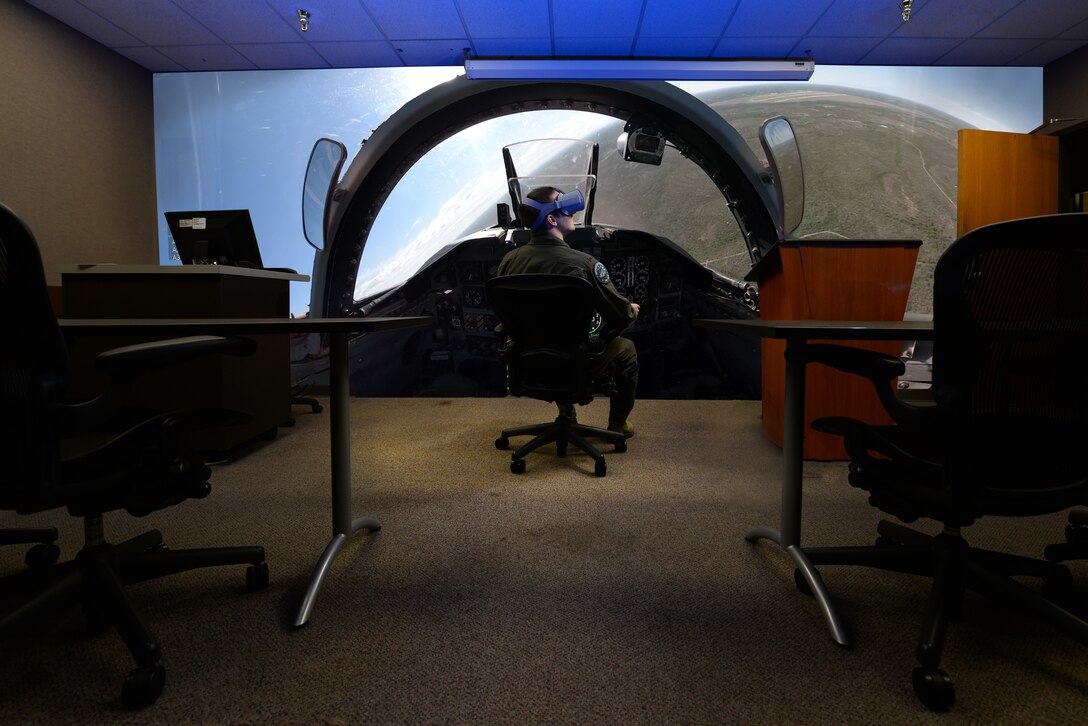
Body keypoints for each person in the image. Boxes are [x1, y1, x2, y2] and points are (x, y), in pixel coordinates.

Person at [496, 185, 640, 438]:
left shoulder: (509, 262)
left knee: (559, 341)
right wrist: (630, 310)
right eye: (565, 210)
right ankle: (618, 424)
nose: (572, 214)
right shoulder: (584, 264)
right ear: (552, 219)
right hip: (576, 361)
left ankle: (566, 413)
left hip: (527, 361)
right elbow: (621, 315)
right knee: (626, 348)